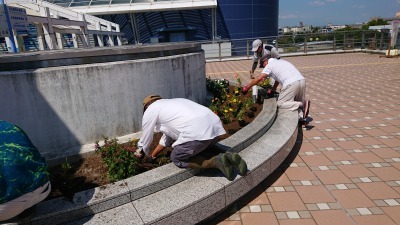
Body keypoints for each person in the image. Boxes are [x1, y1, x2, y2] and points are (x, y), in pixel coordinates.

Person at [136, 95, 248, 181]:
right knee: (201, 144)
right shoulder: (172, 103)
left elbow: (146, 136)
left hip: (196, 134)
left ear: (146, 106)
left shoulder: (151, 110)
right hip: (215, 129)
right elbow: (166, 139)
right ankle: (229, 155)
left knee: (176, 157)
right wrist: (152, 156)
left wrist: (141, 150)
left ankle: (216, 162)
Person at [0, 120, 51, 222]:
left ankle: (14, 210)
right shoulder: (8, 126)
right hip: (43, 187)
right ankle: (26, 210)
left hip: (6, 207)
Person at [242, 55, 310, 121]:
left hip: (291, 83)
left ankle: (302, 104)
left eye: (263, 65)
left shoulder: (269, 66)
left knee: (281, 103)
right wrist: (273, 89)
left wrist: (247, 87)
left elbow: (259, 78)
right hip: (302, 80)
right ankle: (302, 119)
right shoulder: (281, 61)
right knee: (297, 101)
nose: (263, 67)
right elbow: (277, 79)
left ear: (265, 61)